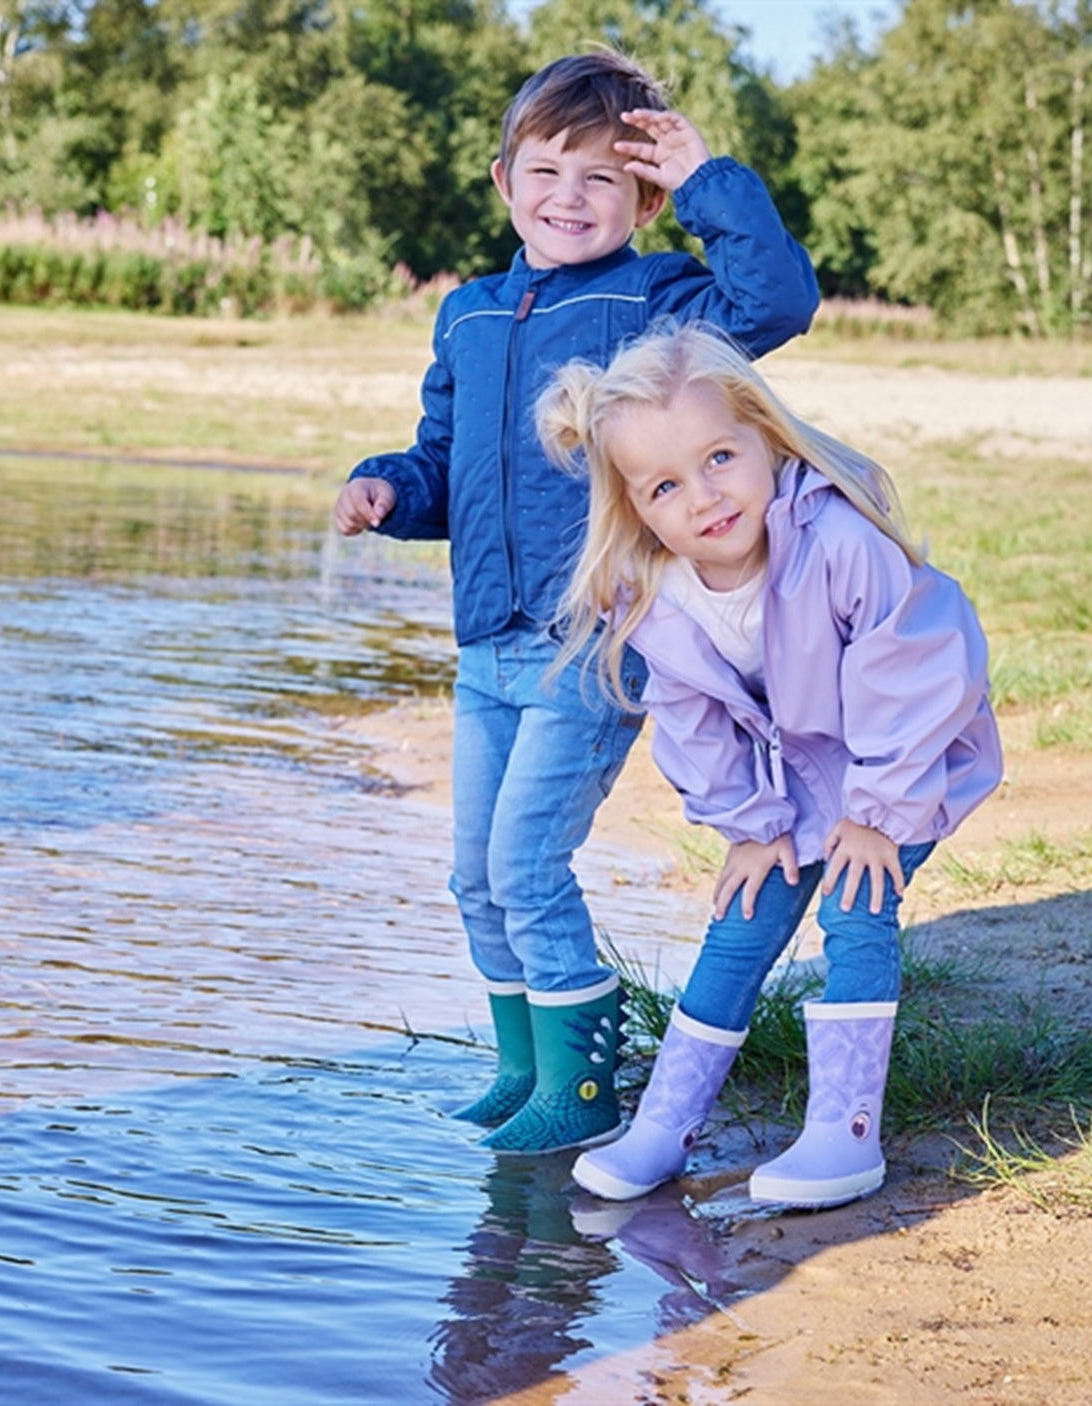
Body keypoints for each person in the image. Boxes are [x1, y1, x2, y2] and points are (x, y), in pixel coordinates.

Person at [334, 49, 819, 1156]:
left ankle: (584, 1090)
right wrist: (388, 488)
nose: (567, 196)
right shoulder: (467, 313)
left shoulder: (655, 303)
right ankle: (522, 1066)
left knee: (524, 864)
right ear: (502, 181)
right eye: (544, 171)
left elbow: (776, 299)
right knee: (473, 874)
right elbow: (445, 463)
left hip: (592, 644)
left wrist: (707, 180)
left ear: (643, 196)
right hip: (485, 645)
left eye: (601, 178)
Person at [534, 320, 1001, 1207]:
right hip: (790, 779)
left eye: (720, 458)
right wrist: (750, 828)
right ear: (635, 506)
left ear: (765, 439)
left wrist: (875, 814)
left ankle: (843, 1133)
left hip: (900, 761)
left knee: (858, 907)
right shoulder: (660, 595)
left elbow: (912, 675)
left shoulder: (837, 543)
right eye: (667, 485)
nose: (704, 497)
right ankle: (665, 1125)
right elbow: (693, 720)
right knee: (742, 921)